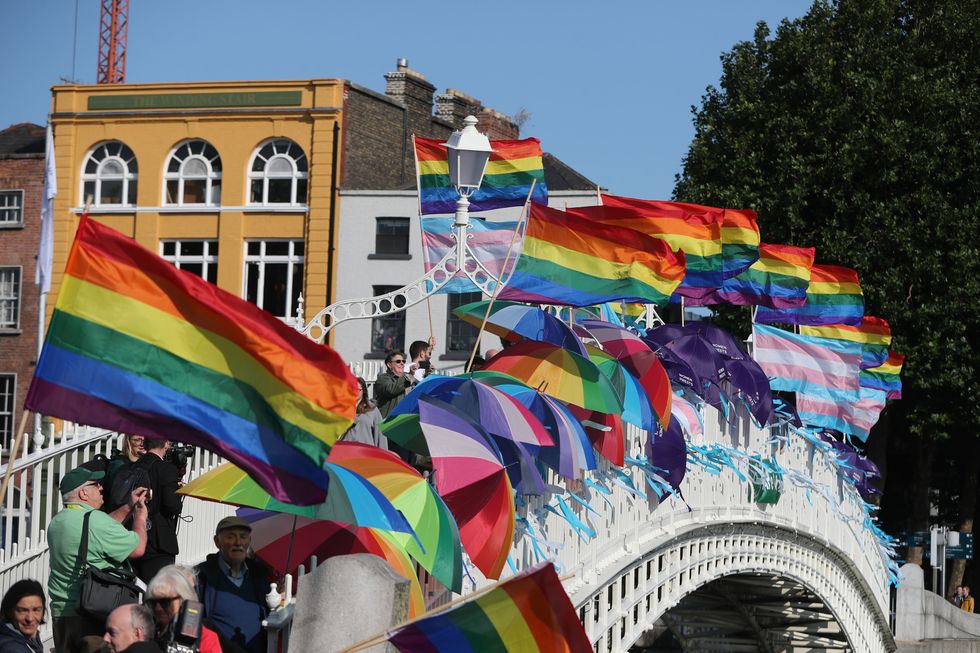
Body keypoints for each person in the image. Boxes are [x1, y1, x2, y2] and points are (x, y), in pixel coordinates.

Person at [48, 462, 148, 653]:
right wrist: (140, 518)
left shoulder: (58, 521)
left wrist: (128, 505)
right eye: (95, 484)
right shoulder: (95, 521)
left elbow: (98, 531)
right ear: (83, 493)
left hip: (61, 615)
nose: (101, 487)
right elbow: (137, 548)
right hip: (91, 613)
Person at [195, 517, 271, 653]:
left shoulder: (259, 576)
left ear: (249, 541)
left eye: (243, 537)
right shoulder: (201, 577)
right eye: (230, 537)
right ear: (217, 541)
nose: (238, 543)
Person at [132, 438, 183, 584]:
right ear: (166, 444)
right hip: (158, 543)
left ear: (145, 444)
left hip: (132, 536)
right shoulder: (166, 468)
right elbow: (173, 506)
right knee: (158, 590)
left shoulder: (131, 466)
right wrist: (178, 492)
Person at [145, 566, 221, 653]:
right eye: (153, 602)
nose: (158, 608)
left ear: (183, 601)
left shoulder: (206, 638)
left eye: (165, 602)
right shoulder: (144, 630)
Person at [0, 579, 46, 653]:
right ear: (9, 611)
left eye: (36, 610)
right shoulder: (12, 649)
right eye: (23, 610)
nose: (30, 618)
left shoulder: (27, 638)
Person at [341, 377, 387, 449]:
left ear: (363, 391)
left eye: (357, 389)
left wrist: (383, 453)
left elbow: (380, 435)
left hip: (365, 451)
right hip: (345, 450)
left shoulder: (372, 409)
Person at [374, 350, 415, 418]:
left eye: (403, 361)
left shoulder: (408, 378)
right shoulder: (383, 378)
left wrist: (426, 374)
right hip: (389, 420)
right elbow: (390, 390)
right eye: (398, 361)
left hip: (405, 419)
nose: (402, 363)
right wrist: (408, 376)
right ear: (389, 365)